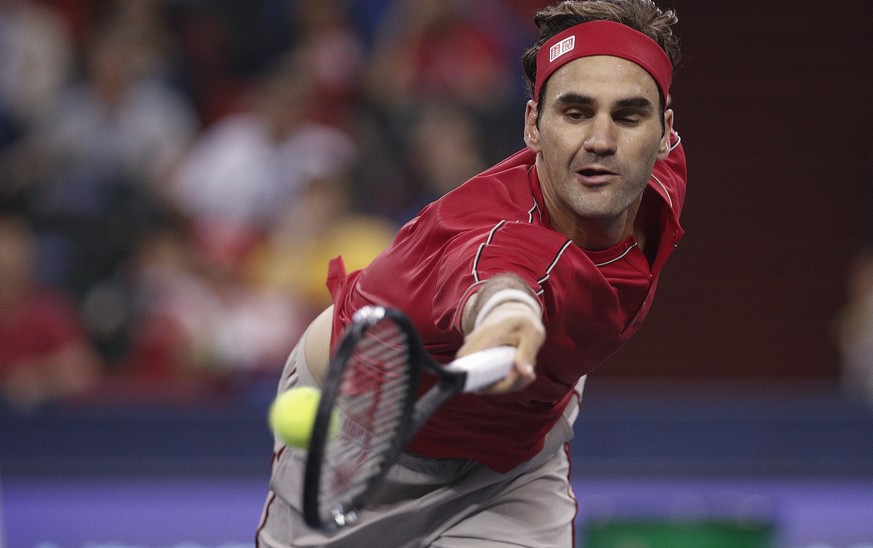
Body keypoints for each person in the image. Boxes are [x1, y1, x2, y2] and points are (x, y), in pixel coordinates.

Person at [257, 0, 685, 546]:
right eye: (575, 113)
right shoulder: (499, 241)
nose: (601, 140)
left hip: (513, 457)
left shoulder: (659, 177)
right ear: (533, 124)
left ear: (665, 132)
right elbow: (495, 284)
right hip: (365, 436)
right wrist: (508, 320)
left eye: (628, 116)